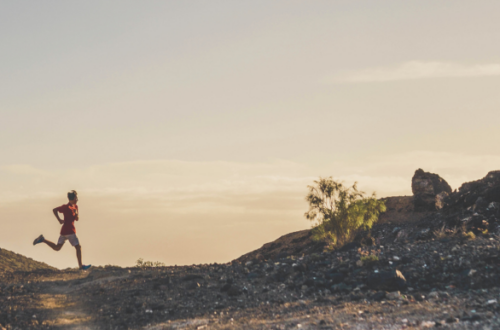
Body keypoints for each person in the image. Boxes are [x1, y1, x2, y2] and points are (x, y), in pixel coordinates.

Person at [33, 190, 91, 270]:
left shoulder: (75, 207)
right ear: (73, 198)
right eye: (76, 198)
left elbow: (77, 219)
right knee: (78, 247)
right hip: (70, 231)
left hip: (64, 231)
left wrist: (76, 213)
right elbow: (54, 210)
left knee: (57, 247)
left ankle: (43, 239)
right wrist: (59, 220)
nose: (77, 199)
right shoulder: (65, 207)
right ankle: (81, 266)